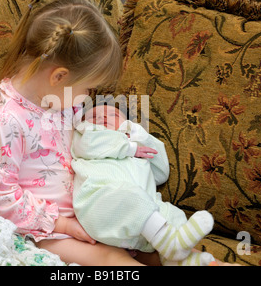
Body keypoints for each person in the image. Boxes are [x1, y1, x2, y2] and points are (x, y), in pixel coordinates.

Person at [0, 0, 152, 266]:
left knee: (163, 244)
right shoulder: (6, 120)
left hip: (91, 210)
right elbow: (0, 196)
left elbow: (75, 135)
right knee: (112, 260)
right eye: (87, 88)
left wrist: (112, 133)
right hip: (45, 231)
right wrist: (62, 225)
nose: (86, 97)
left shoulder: (62, 98)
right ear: (59, 76)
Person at [71, 104, 217, 266]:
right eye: (93, 117)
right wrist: (129, 148)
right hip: (99, 205)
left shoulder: (135, 146)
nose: (102, 117)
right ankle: (170, 244)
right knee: (130, 196)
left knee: (173, 214)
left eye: (112, 114)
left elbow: (161, 173)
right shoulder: (85, 134)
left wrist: (137, 134)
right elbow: (89, 144)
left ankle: (175, 260)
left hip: (139, 225)